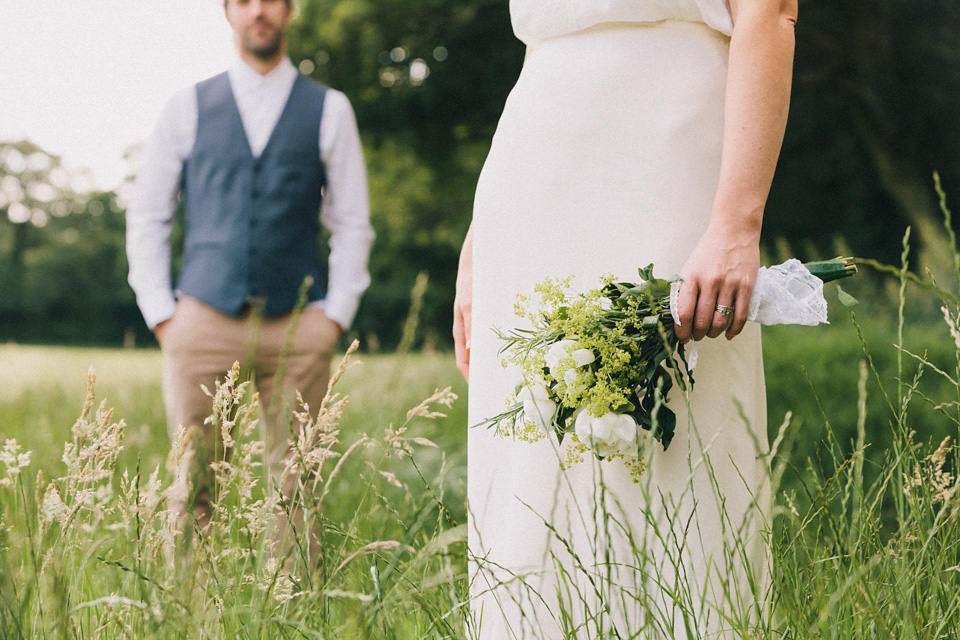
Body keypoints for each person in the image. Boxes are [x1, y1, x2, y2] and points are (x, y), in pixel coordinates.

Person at [454, 0, 796, 637]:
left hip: (669, 151)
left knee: (680, 444)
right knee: (532, 458)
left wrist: (735, 222)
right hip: (531, 176)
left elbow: (770, 12)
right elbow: (542, 42)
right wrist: (480, 245)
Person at [126, 0, 373, 528]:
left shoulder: (330, 108)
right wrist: (162, 314)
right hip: (202, 318)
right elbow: (148, 215)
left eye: (271, 1)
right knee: (192, 484)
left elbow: (352, 220)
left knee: (298, 488)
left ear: (290, 11)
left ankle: (294, 605)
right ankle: (186, 610)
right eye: (244, 1)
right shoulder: (186, 106)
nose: (258, 10)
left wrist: (335, 316)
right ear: (227, 12)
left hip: (299, 325)